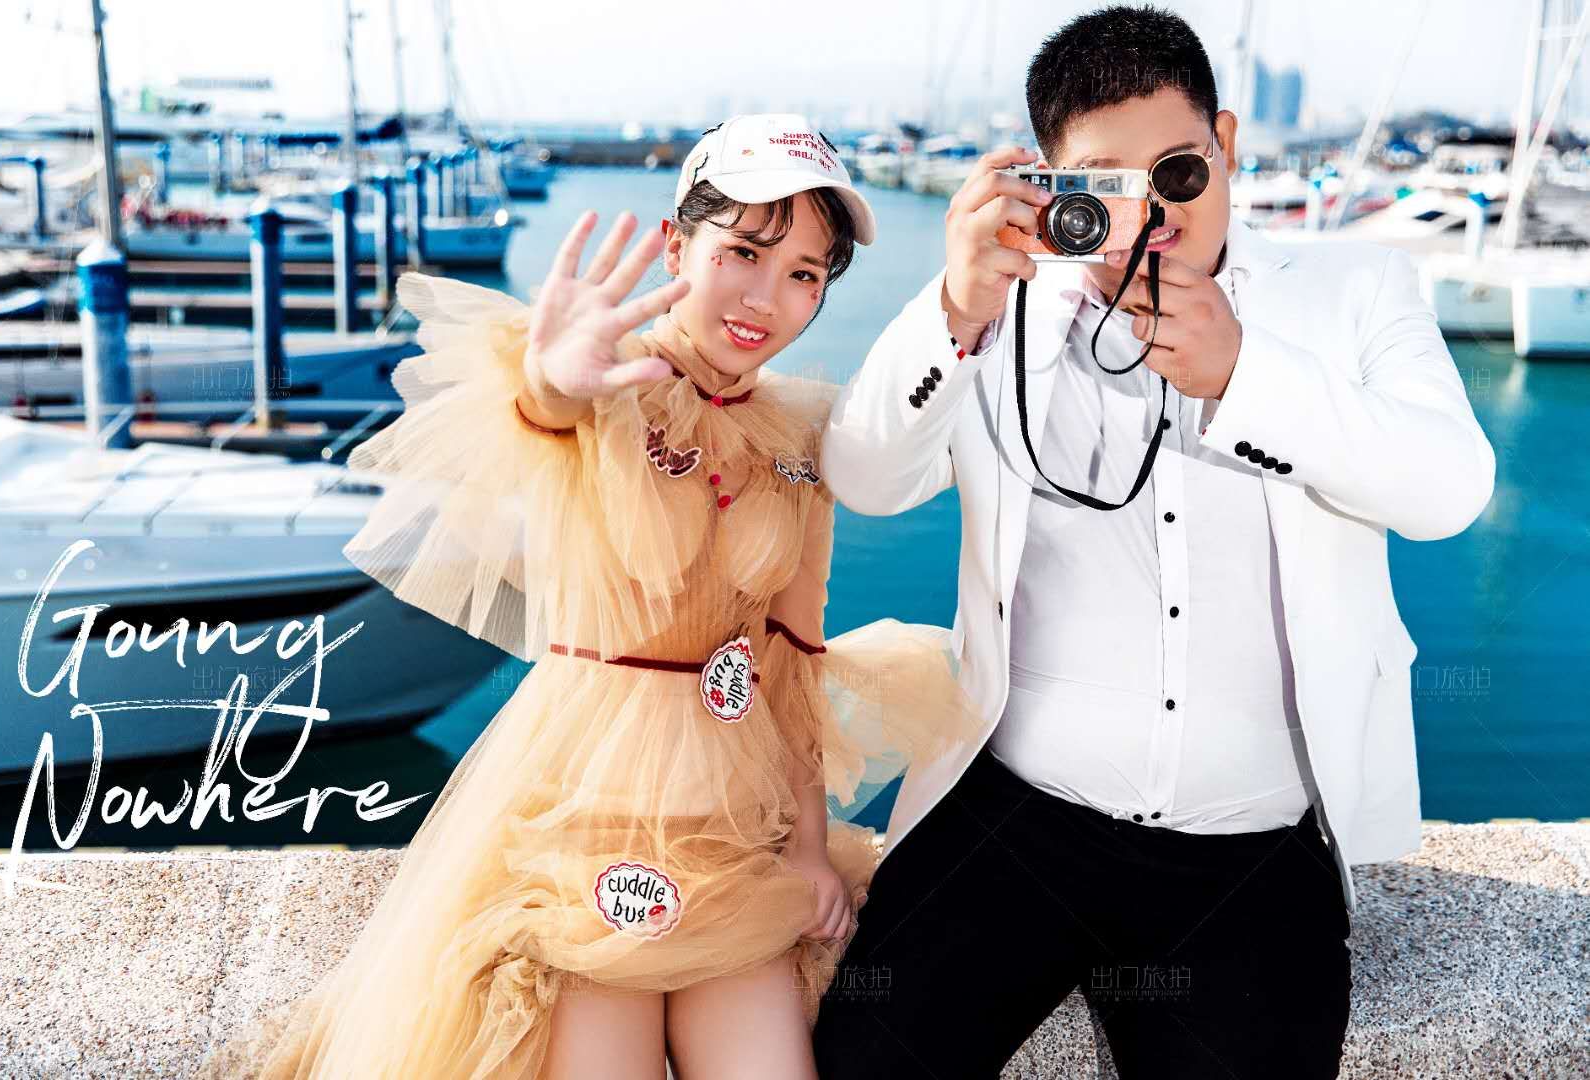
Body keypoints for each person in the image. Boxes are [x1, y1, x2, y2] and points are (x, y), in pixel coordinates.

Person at [193, 114, 986, 1080]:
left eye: (804, 274)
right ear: (675, 246)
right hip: (583, 814)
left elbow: (795, 656)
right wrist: (550, 379)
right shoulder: (607, 378)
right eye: (743, 251)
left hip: (735, 833)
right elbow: (541, 412)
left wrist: (810, 848)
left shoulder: (801, 436)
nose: (765, 298)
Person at [812, 5, 1495, 1079]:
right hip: (1015, 818)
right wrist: (952, 307)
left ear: (1226, 144)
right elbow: (865, 476)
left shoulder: (1355, 291)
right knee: (866, 1059)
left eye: (1178, 171)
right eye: (1111, 183)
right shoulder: (1007, 307)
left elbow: (1451, 489)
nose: (1154, 212)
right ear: (1053, 182)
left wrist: (1245, 373)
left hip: (1250, 847)